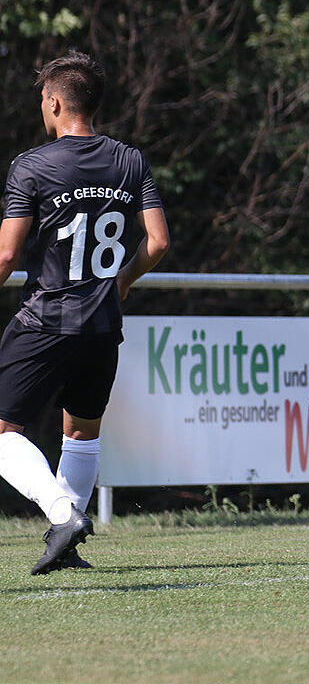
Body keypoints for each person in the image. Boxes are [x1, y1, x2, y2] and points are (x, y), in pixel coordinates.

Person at [0, 51, 170, 575]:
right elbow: (159, 242)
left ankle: (62, 515)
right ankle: (67, 544)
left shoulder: (32, 166)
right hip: (102, 323)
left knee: (3, 431)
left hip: (46, 319)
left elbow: (6, 257)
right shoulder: (129, 160)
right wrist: (119, 282)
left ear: (53, 102)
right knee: (81, 432)